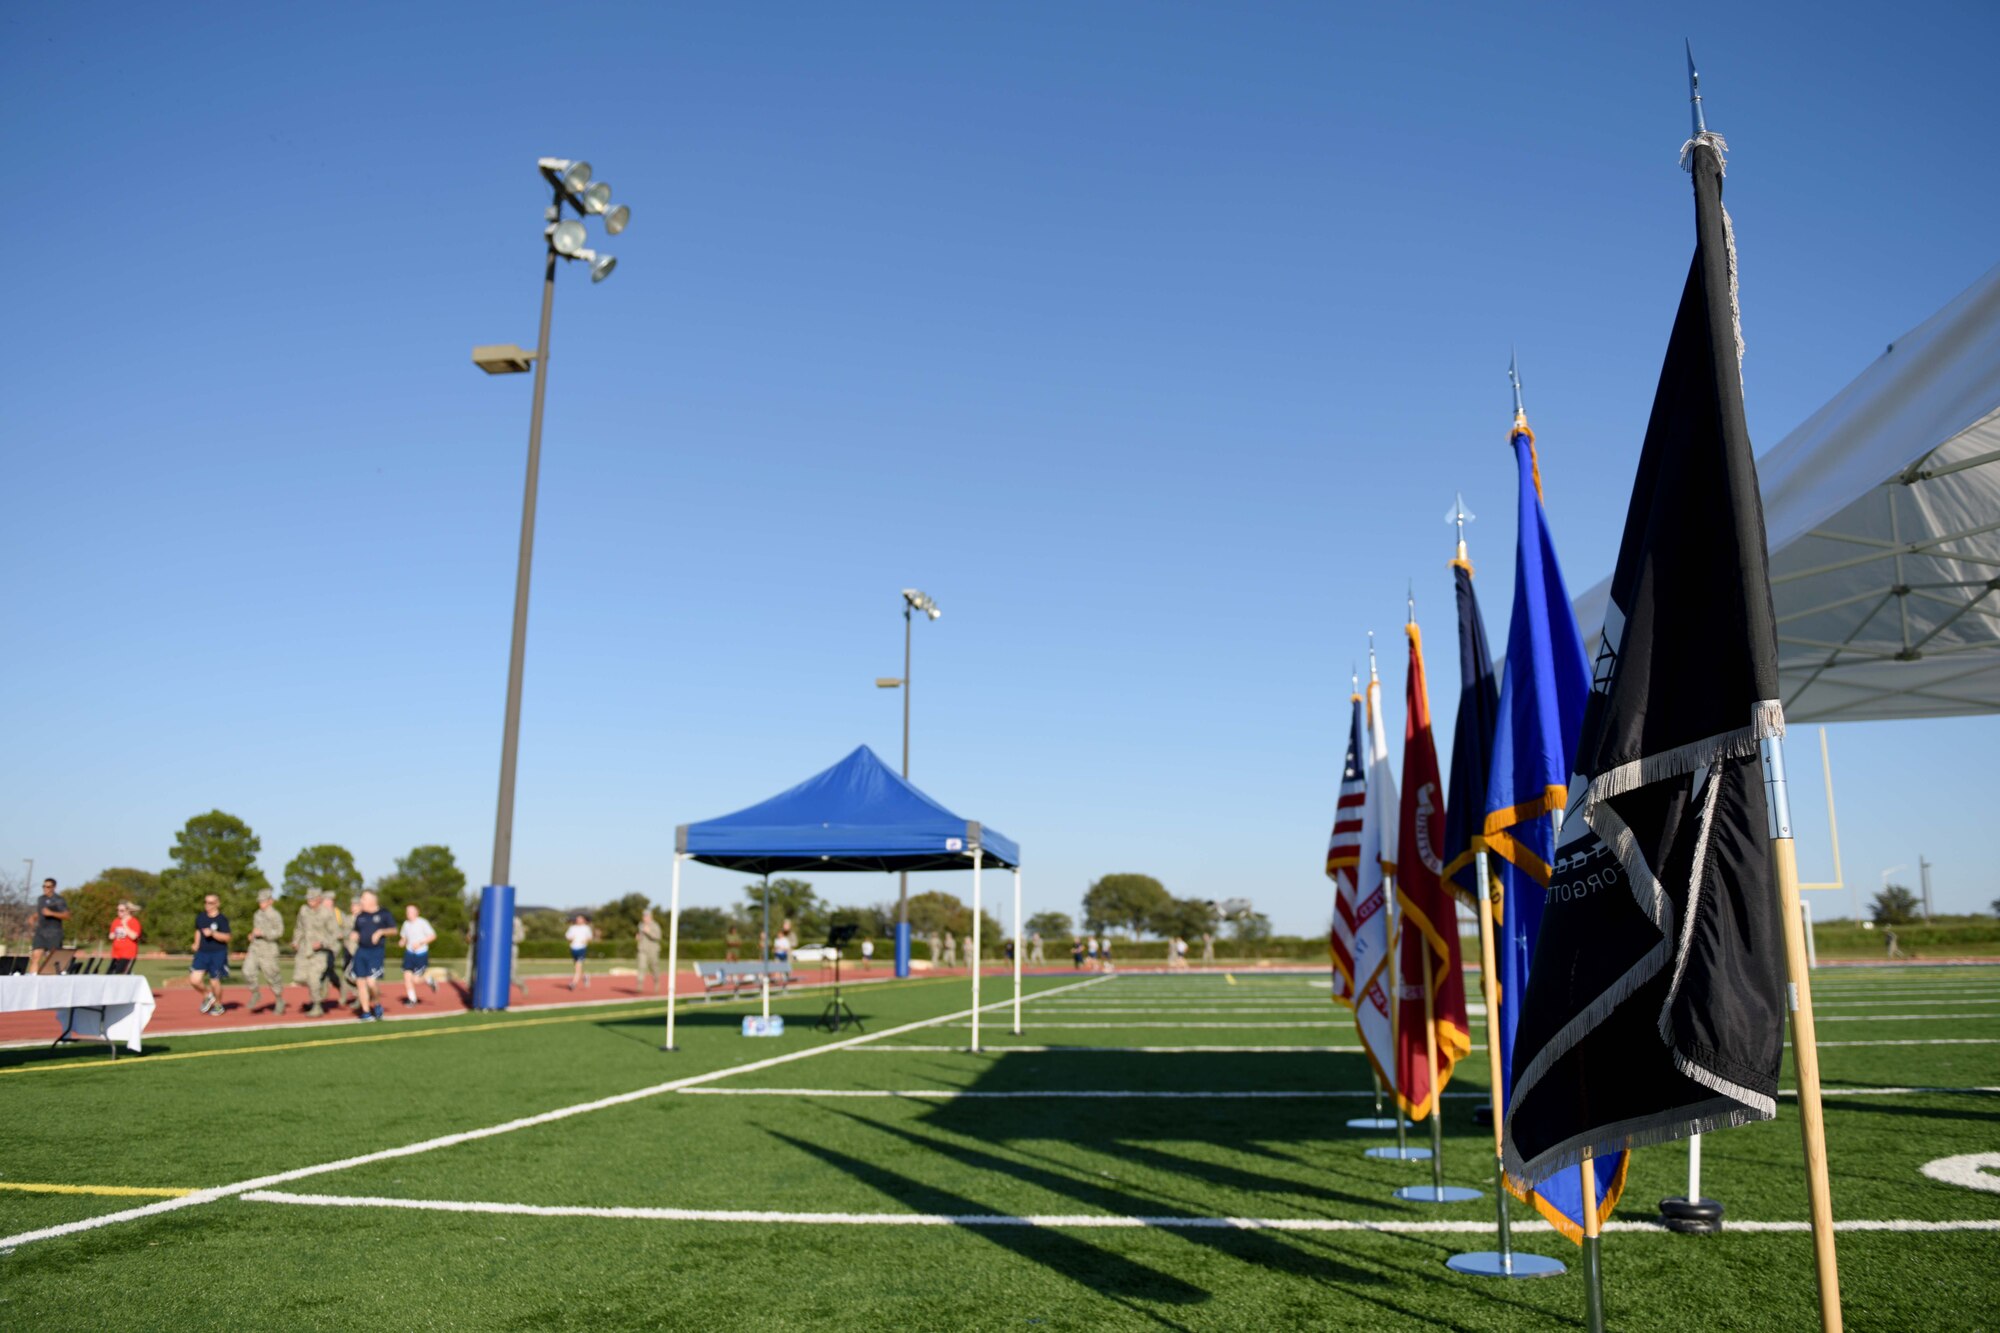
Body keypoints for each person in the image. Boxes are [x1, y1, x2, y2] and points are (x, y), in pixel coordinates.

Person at [348, 890, 396, 1021]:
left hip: (376, 952)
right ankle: (366, 1012)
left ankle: (377, 1003)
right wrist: (354, 935)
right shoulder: (360, 916)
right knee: (360, 982)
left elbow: (394, 930)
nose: (361, 901)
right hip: (361, 951)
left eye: (363, 898)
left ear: (372, 900)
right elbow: (356, 931)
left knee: (371, 981)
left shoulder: (384, 913)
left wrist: (381, 932)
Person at [292, 888, 335, 1016]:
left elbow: (335, 934)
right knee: (299, 978)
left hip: (320, 952)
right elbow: (299, 927)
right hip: (304, 950)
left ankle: (317, 1006)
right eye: (308, 898)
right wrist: (296, 941)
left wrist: (322, 943)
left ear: (319, 899)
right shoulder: (303, 910)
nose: (310, 900)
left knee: (313, 978)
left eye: (313, 898)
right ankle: (319, 990)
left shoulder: (327, 913)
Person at [243, 889, 286, 1014]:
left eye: (263, 901)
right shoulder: (257, 914)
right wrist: (252, 935)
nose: (261, 903)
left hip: (269, 949)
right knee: (247, 971)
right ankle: (255, 993)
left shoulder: (275, 915)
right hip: (255, 947)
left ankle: (279, 1000)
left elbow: (279, 932)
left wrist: (263, 933)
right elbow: (256, 929)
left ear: (270, 901)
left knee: (272, 976)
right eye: (259, 901)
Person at [189, 893, 232, 1014]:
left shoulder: (222, 919)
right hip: (202, 953)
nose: (207, 905)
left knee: (214, 981)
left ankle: (218, 1005)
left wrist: (213, 934)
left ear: (217, 904)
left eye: (210, 903)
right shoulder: (201, 917)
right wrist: (196, 943)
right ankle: (207, 995)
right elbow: (198, 931)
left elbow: (227, 937)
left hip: (218, 953)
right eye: (206, 902)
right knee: (194, 980)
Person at [399, 903, 437, 1006]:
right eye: (407, 911)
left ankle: (428, 980)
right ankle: (412, 999)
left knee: (415, 980)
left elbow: (433, 936)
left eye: (410, 911)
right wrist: (402, 941)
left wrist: (420, 943)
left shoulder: (422, 922)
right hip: (409, 953)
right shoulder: (406, 924)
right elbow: (404, 937)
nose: (408, 914)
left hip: (421, 954)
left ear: (416, 912)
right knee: (407, 976)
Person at [29, 878, 69, 975]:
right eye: (44, 886)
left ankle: (51, 979)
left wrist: (51, 913)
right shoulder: (41, 899)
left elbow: (66, 915)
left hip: (54, 932)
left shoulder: (59, 900)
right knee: (35, 955)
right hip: (41, 931)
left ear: (53, 887)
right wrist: (34, 917)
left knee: (52, 958)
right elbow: (40, 912)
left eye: (48, 887)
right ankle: (32, 978)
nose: (45, 888)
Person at [330, 896, 357, 1007]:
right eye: (352, 905)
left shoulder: (362, 919)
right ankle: (344, 997)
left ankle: (360, 996)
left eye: (355, 905)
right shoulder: (347, 917)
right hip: (347, 949)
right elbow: (341, 928)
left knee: (352, 975)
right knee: (345, 974)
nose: (353, 907)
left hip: (357, 951)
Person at [107, 900, 142, 974]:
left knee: (118, 973)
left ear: (128, 911)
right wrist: (112, 935)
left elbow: (133, 936)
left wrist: (125, 925)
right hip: (116, 954)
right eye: (118, 910)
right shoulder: (116, 921)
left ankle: (130, 976)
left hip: (128, 954)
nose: (119, 912)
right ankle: (129, 975)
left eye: (122, 910)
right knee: (110, 974)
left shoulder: (134, 922)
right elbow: (111, 935)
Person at [635, 906, 663, 994]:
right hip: (642, 950)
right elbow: (640, 936)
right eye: (643, 916)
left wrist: (649, 932)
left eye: (646, 916)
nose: (644, 918)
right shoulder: (641, 925)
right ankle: (639, 985)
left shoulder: (655, 925)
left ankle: (657, 983)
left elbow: (658, 937)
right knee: (641, 967)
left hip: (653, 951)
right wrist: (638, 937)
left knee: (654, 968)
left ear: (650, 916)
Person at [565, 914, 594, 991]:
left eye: (580, 919)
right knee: (577, 967)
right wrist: (570, 938)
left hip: (582, 948)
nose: (578, 920)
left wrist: (585, 940)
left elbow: (590, 937)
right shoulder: (572, 928)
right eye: (577, 919)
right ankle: (585, 977)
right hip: (573, 948)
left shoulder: (586, 928)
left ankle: (573, 983)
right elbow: (568, 936)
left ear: (584, 920)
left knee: (577, 966)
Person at [511, 912, 529, 995]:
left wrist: (508, 938)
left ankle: (521, 984)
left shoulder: (516, 921)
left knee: (511, 974)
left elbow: (521, 937)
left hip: (511, 948)